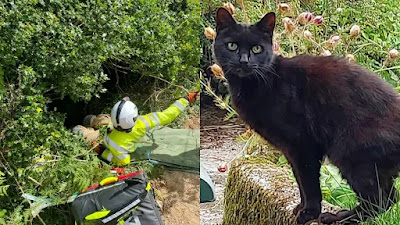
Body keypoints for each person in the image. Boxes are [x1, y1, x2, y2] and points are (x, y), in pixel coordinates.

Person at [73, 91, 199, 166]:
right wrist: (186, 99)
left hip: (104, 141)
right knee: (104, 120)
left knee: (83, 133)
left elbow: (123, 162)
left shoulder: (117, 144)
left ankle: (86, 129)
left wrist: (102, 151)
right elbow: (168, 115)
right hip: (110, 129)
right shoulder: (143, 122)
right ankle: (93, 121)